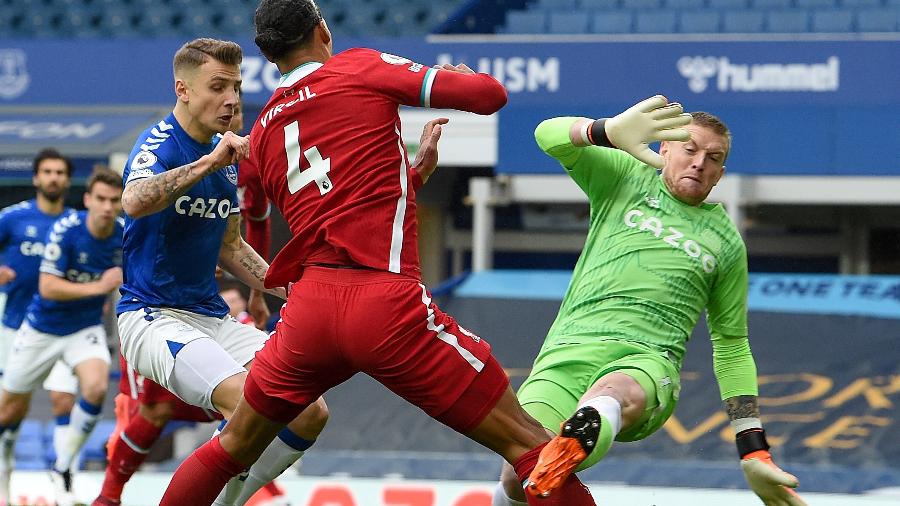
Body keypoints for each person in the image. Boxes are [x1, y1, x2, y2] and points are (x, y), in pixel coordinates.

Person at [161, 2, 596, 505]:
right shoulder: (358, 66)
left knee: (232, 446)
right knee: (532, 446)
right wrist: (462, 75)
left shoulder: (261, 133)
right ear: (322, 30)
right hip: (385, 303)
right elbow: (489, 95)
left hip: (310, 313)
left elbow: (310, 207)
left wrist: (411, 177)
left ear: (268, 55)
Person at [491, 96, 807, 506]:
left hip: (647, 362)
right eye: (690, 149)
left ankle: (583, 431)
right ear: (664, 149)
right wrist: (603, 131)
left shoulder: (726, 243)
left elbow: (731, 346)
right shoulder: (624, 176)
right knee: (519, 476)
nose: (699, 163)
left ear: (720, 174)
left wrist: (753, 446)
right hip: (570, 349)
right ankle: (554, 455)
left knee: (612, 391)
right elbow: (546, 135)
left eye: (714, 158)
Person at [115, 37, 329, 506]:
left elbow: (231, 246)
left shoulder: (225, 157)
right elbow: (133, 200)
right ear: (184, 90)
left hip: (210, 317)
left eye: (235, 86)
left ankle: (228, 501)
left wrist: (289, 289)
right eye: (217, 86)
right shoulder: (161, 144)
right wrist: (209, 162)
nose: (231, 99)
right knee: (251, 403)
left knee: (310, 411)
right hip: (152, 316)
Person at [0, 168, 125, 506]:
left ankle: (63, 466)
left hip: (83, 329)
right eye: (101, 199)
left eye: (115, 200)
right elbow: (48, 286)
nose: (107, 207)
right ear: (87, 200)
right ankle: (5, 465)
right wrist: (98, 286)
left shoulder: (125, 234)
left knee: (96, 387)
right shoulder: (66, 230)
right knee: (8, 411)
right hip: (40, 328)